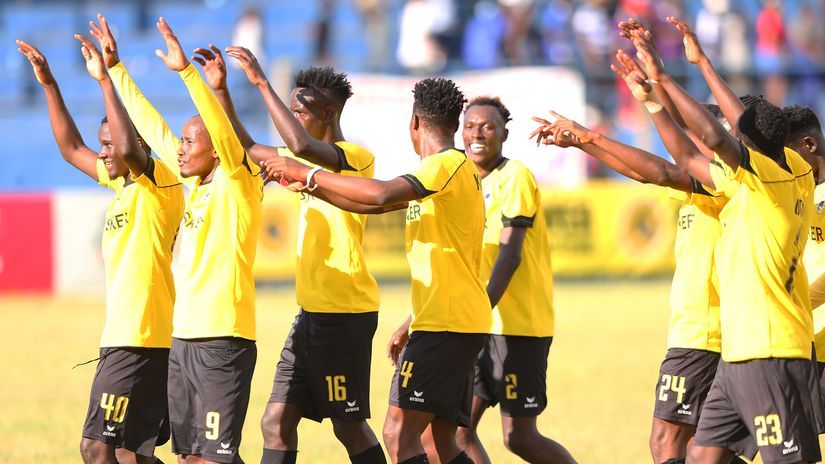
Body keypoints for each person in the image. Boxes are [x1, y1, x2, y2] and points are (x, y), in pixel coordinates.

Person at [262, 77, 490, 464]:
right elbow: (372, 205)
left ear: (414, 123)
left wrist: (308, 174)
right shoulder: (449, 172)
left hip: (449, 324)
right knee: (440, 443)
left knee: (398, 434)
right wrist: (311, 186)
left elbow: (380, 193)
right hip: (446, 320)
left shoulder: (444, 165)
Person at [626, 19, 821, 464]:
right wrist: (685, 75)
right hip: (740, 350)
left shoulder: (764, 178)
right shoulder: (793, 171)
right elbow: (694, 150)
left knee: (789, 460)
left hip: (770, 347)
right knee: (702, 456)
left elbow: (710, 138)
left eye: (738, 140)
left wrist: (663, 80)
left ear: (751, 149)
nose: (728, 144)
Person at [188, 45, 388, 464]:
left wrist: (261, 82)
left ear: (328, 113)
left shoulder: (355, 158)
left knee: (348, 426)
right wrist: (221, 91)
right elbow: (244, 146)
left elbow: (299, 144)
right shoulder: (301, 158)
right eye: (292, 110)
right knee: (276, 421)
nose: (293, 119)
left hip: (344, 312)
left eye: (300, 110)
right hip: (310, 314)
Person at [91, 15, 263, 463]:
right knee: (189, 457)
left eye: (190, 141)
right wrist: (116, 70)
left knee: (214, 458)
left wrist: (188, 73)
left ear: (216, 150)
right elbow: (153, 130)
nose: (181, 149)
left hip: (223, 339)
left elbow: (223, 133)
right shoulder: (192, 184)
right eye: (182, 142)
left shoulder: (238, 183)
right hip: (183, 338)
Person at [17, 34, 183, 464]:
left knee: (96, 448)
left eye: (109, 144)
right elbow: (71, 149)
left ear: (141, 145)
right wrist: (49, 83)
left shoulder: (160, 183)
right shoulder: (122, 185)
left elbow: (127, 148)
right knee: (129, 453)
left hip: (138, 338)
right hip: (130, 336)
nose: (105, 153)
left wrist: (106, 79)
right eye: (103, 144)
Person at [412, 95, 576, 464]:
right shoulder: (461, 178)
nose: (477, 134)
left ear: (504, 134)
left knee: (519, 437)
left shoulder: (515, 177)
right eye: (470, 126)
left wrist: (478, 311)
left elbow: (510, 255)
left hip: (517, 325)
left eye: (487, 127)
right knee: (457, 431)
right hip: (478, 325)